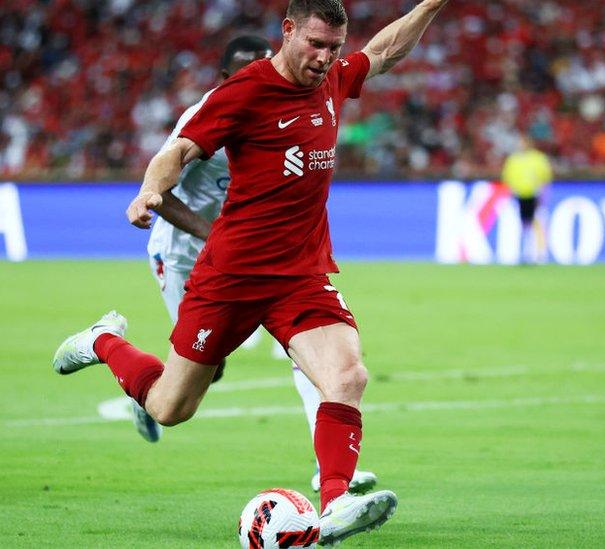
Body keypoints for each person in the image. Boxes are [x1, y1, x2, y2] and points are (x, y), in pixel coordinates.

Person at [53, 0, 451, 544]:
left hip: (300, 273)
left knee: (347, 376)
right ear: (287, 31)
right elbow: (178, 152)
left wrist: (431, 3)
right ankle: (102, 341)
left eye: (334, 47)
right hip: (231, 275)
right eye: (315, 44)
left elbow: (384, 49)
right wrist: (150, 189)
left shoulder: (331, 80)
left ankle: (334, 502)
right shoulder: (242, 93)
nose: (325, 58)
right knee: (171, 407)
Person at [140, 33, 377, 495]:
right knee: (192, 384)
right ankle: (139, 382)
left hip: (266, 260)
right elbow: (164, 181)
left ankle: (331, 484)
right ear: (226, 79)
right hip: (186, 252)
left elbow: (378, 54)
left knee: (323, 362)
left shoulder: (290, 94)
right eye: (249, 67)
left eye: (265, 62)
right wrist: (212, 234)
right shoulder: (213, 110)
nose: (262, 71)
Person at [500, 134, 553, 264]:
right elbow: (507, 177)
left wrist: (543, 194)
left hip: (535, 195)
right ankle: (525, 252)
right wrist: (512, 190)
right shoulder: (513, 159)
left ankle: (540, 253)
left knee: (537, 223)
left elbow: (546, 177)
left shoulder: (538, 158)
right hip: (519, 196)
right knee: (524, 225)